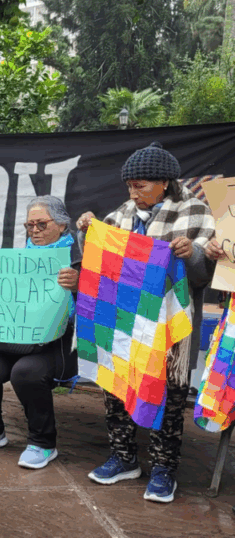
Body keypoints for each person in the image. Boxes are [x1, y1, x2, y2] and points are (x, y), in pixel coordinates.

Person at [75, 142, 215, 503]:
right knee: (116, 387)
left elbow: (204, 274)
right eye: (130, 185)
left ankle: (164, 469)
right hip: (123, 321)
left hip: (169, 326)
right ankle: (124, 459)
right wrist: (85, 230)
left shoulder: (194, 210)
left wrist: (193, 254)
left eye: (140, 186)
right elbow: (97, 257)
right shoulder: (122, 213)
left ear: (165, 183)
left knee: (168, 396)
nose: (133, 193)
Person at [0, 195, 80, 470]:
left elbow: (103, 300)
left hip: (58, 345)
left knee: (27, 372)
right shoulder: (17, 260)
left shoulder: (78, 258)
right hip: (11, 342)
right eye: (29, 225)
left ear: (61, 224)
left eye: (41, 224)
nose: (34, 230)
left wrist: (80, 285)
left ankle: (42, 443)